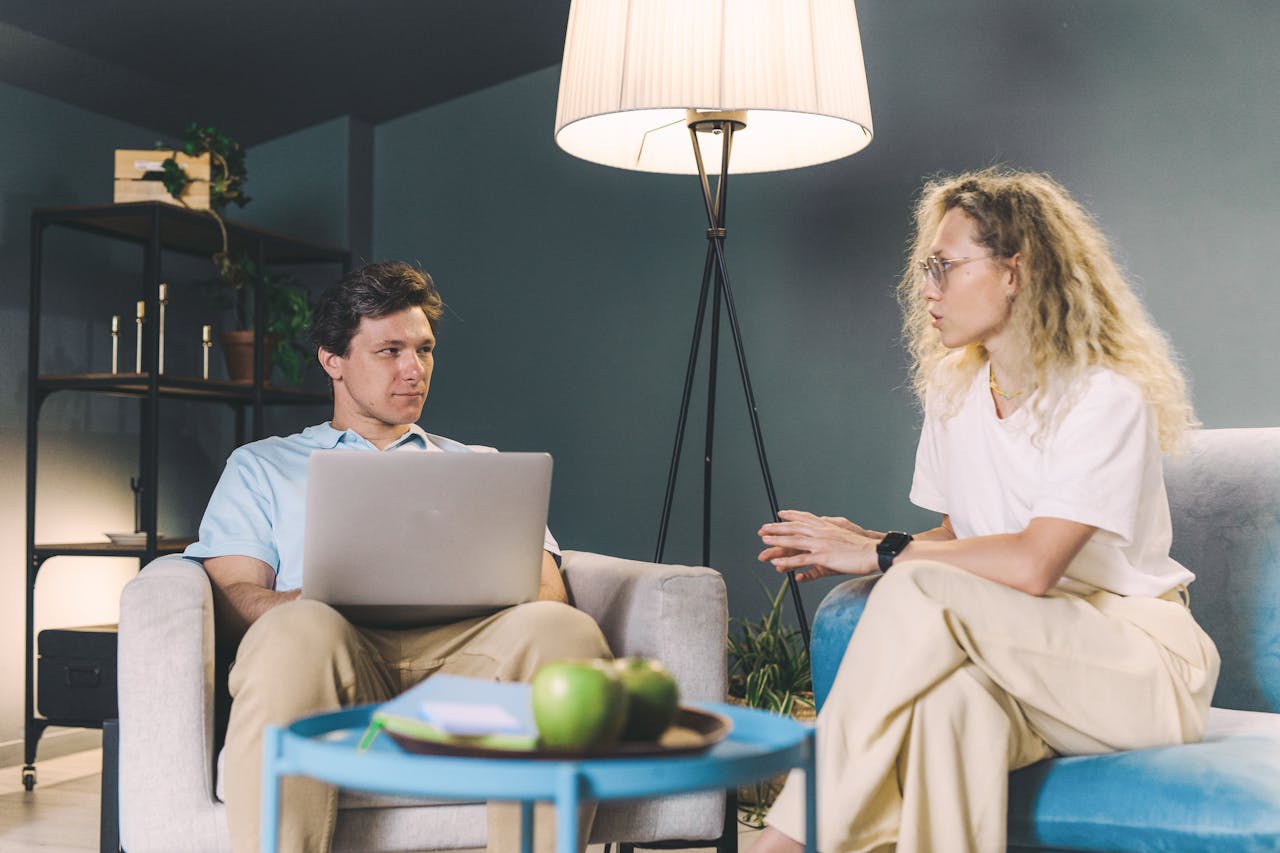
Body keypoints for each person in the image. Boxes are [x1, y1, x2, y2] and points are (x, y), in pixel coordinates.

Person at [752, 169, 1220, 853]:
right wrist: (881, 541)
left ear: (1015, 271)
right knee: (950, 710)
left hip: (1137, 664)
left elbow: (1032, 563)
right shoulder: (955, 392)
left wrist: (884, 551)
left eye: (944, 266)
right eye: (925, 268)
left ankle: (783, 840)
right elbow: (958, 538)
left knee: (911, 581)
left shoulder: (1104, 396)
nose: (926, 289)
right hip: (1018, 659)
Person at [184, 261, 611, 853]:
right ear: (332, 360)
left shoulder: (479, 464)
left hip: (467, 665)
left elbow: (547, 589)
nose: (415, 371)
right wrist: (319, 600)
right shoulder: (262, 465)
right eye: (389, 351)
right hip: (332, 664)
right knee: (295, 630)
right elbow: (233, 597)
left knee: (564, 631)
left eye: (424, 350)